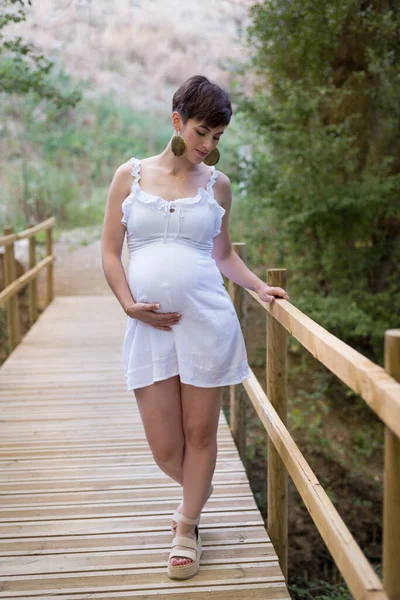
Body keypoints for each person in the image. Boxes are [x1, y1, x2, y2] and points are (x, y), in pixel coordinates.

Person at [101, 74, 289, 580]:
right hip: (150, 328)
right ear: (177, 121)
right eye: (202, 132)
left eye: (218, 137)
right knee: (167, 448)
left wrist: (257, 288)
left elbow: (223, 253)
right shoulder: (131, 176)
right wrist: (127, 303)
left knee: (200, 434)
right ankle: (195, 493)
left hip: (207, 322)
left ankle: (187, 526)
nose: (208, 146)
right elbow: (109, 253)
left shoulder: (217, 185)